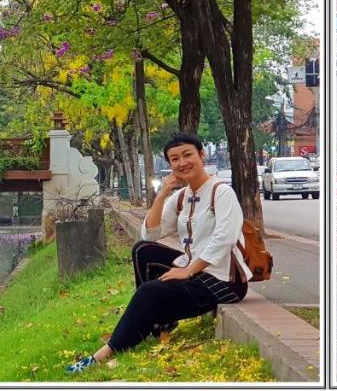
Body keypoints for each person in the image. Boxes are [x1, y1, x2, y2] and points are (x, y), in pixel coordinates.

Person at [66, 132, 250, 373]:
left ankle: (106, 352)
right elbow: (149, 234)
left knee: (149, 291)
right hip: (195, 269)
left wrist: (188, 271)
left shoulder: (222, 193)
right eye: (175, 159)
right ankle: (156, 322)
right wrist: (162, 194)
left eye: (187, 155)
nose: (182, 163)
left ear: (201, 155)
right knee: (143, 250)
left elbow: (224, 239)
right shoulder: (182, 196)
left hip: (225, 280)